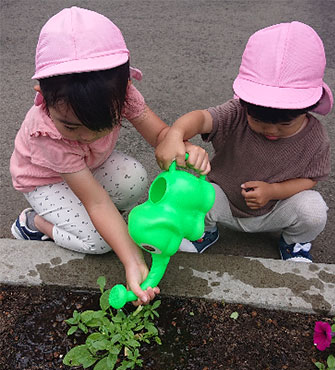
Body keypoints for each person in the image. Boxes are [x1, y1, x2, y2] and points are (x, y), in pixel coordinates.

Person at [9, 7, 209, 304]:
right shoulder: (48, 134)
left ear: (125, 89)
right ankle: (34, 223)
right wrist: (132, 260)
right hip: (44, 181)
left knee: (136, 179)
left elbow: (160, 137)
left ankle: (86, 220)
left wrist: (181, 145)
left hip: (86, 169)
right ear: (43, 94)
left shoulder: (122, 93)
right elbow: (97, 201)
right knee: (98, 242)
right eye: (72, 127)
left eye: (101, 126)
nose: (87, 136)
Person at [155, 21, 333, 262]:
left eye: (285, 124)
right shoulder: (236, 113)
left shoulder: (315, 137)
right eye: (258, 120)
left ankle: (294, 243)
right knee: (194, 192)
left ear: (308, 109)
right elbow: (200, 118)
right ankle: (203, 232)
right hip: (223, 201)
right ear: (245, 104)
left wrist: (273, 191)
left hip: (277, 207)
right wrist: (175, 133)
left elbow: (310, 179)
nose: (271, 130)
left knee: (313, 210)